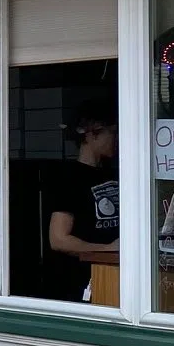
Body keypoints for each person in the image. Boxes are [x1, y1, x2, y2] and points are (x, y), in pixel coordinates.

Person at [43, 102, 120, 302]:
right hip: (82, 283)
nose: (117, 138)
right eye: (112, 132)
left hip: (116, 277)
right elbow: (58, 239)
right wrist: (107, 249)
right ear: (92, 133)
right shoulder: (69, 179)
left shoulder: (116, 173)